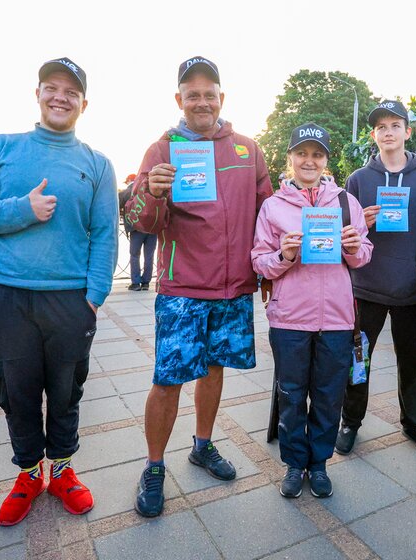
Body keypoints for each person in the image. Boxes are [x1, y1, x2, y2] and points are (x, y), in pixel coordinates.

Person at [0, 57, 118, 526]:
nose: (60, 97)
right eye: (52, 87)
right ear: (38, 93)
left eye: (71, 92)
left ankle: (62, 470)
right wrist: (21, 209)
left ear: (84, 103)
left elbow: (106, 233)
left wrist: (95, 296)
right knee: (15, 390)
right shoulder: (1, 147)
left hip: (71, 301)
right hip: (8, 296)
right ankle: (28, 474)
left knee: (65, 391)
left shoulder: (98, 164)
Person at [133, 56, 272, 517]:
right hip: (183, 290)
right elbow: (142, 222)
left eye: (209, 94)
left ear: (221, 98)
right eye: (192, 95)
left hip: (233, 289)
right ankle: (154, 466)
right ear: (179, 100)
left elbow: (268, 216)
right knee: (168, 380)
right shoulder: (161, 150)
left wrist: (270, 272)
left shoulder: (248, 150)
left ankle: (202, 445)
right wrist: (152, 192)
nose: (201, 102)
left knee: (214, 371)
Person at [252, 123, 372, 499]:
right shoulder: (273, 206)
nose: (309, 161)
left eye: (317, 154)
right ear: (289, 158)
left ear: (325, 160)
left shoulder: (345, 202)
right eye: (302, 153)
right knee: (290, 395)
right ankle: (293, 463)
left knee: (328, 395)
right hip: (289, 318)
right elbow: (259, 261)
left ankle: (318, 464)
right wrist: (284, 255)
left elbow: (365, 254)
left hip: (337, 318)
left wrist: (354, 247)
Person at [335, 100, 416, 457]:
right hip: (367, 287)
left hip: (411, 289)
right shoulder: (358, 179)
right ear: (373, 135)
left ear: (407, 132)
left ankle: (413, 423)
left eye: (395, 125)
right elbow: (343, 233)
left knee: (411, 362)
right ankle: (350, 421)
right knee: (358, 361)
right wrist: (359, 224)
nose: (389, 132)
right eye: (381, 127)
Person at [119, 173, 158, 291]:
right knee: (149, 255)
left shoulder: (127, 192)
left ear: (129, 181)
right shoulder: (150, 189)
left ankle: (135, 283)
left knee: (135, 255)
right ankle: (146, 282)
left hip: (136, 229)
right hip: (152, 227)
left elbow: (116, 207)